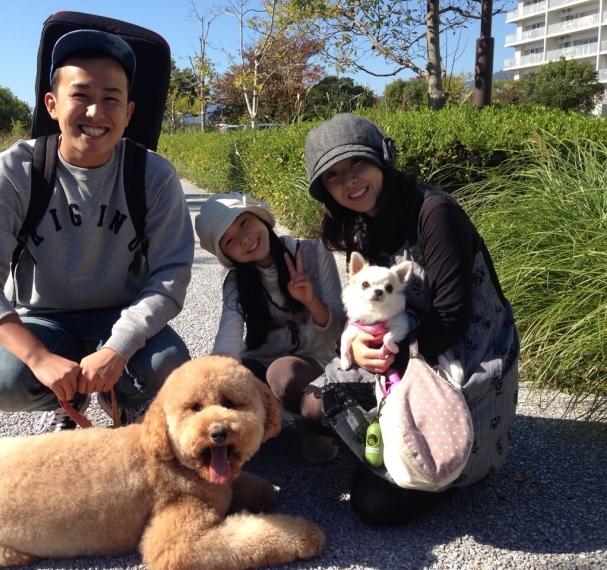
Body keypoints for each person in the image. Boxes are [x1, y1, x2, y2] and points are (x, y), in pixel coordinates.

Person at [0, 29, 194, 433]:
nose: (96, 112)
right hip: (45, 318)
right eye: (80, 95)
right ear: (52, 104)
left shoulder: (153, 175)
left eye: (111, 99)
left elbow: (171, 275)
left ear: (129, 112)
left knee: (168, 367)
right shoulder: (15, 172)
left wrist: (118, 348)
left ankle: (124, 398)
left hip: (121, 312)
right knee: (5, 382)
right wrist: (38, 358)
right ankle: (65, 399)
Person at [300, 113, 519, 525]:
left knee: (375, 506)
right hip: (401, 349)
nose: (349, 181)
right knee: (313, 406)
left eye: (357, 163)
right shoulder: (364, 231)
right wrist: (359, 347)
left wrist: (391, 355)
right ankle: (394, 436)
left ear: (382, 158)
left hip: (462, 356)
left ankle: (444, 461)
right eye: (333, 175)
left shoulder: (435, 214)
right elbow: (368, 308)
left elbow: (452, 319)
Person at [195, 193, 346, 464]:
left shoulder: (313, 253)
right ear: (226, 254)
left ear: (260, 216)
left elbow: (340, 331)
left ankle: (311, 424)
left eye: (244, 223)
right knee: (232, 375)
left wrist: (311, 301)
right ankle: (263, 425)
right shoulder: (237, 283)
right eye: (229, 241)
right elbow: (228, 338)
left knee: (284, 373)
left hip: (312, 366)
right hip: (262, 367)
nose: (244, 239)